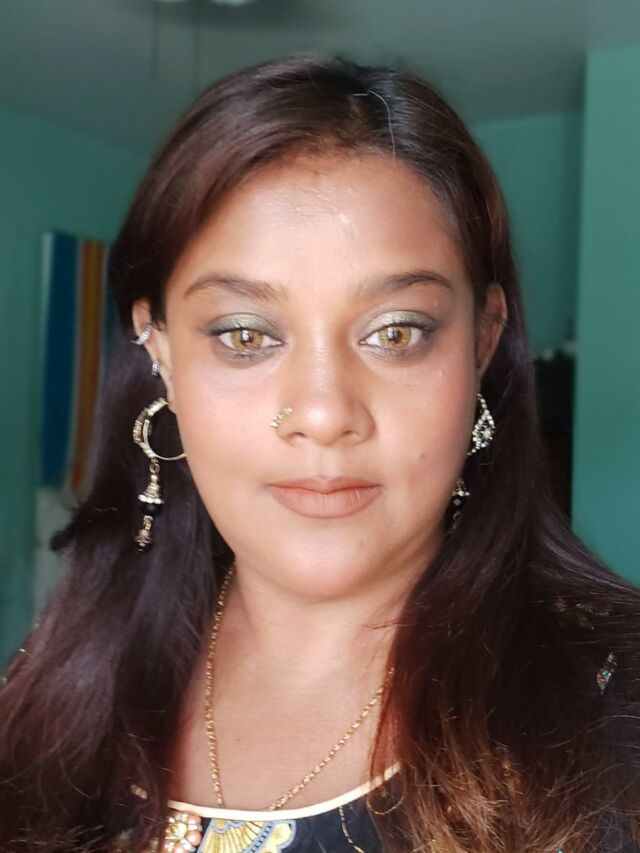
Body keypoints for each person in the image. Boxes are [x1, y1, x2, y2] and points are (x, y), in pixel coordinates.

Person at [0, 53, 639, 853]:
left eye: (395, 332)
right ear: (159, 350)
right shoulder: (53, 690)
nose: (324, 414)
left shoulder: (614, 711)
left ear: (482, 340)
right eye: (245, 336)